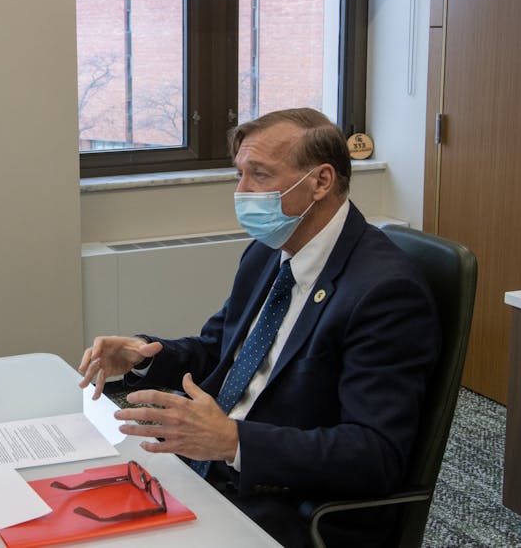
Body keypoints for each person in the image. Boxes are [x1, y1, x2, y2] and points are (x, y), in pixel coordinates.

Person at [78, 108, 439, 547]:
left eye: (260, 175)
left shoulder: (385, 292)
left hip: (283, 504)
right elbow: (218, 350)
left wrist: (233, 441)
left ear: (321, 181)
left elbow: (375, 454)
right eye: (240, 174)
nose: (242, 192)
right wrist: (143, 354)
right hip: (205, 464)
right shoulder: (268, 252)